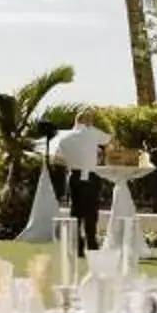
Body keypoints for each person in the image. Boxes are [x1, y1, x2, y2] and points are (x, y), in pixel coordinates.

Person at [52, 106, 106, 247]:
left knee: (75, 211)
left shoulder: (65, 137)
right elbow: (108, 139)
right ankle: (91, 242)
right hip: (91, 176)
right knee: (91, 211)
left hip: (74, 176)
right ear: (87, 122)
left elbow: (57, 159)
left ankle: (76, 244)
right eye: (91, 120)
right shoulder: (92, 133)